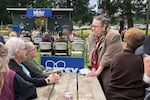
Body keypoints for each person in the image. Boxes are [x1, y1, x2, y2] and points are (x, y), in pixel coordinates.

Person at [87, 16, 123, 96]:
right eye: (92, 26)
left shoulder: (113, 36)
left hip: (109, 72)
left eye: (96, 26)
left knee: (107, 94)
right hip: (96, 69)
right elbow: (92, 53)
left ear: (104, 27)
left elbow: (107, 57)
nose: (93, 29)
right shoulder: (92, 36)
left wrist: (97, 72)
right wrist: (93, 69)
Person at [107, 27, 145, 100]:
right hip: (136, 97)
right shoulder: (142, 59)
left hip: (114, 96)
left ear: (126, 43)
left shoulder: (116, 57)